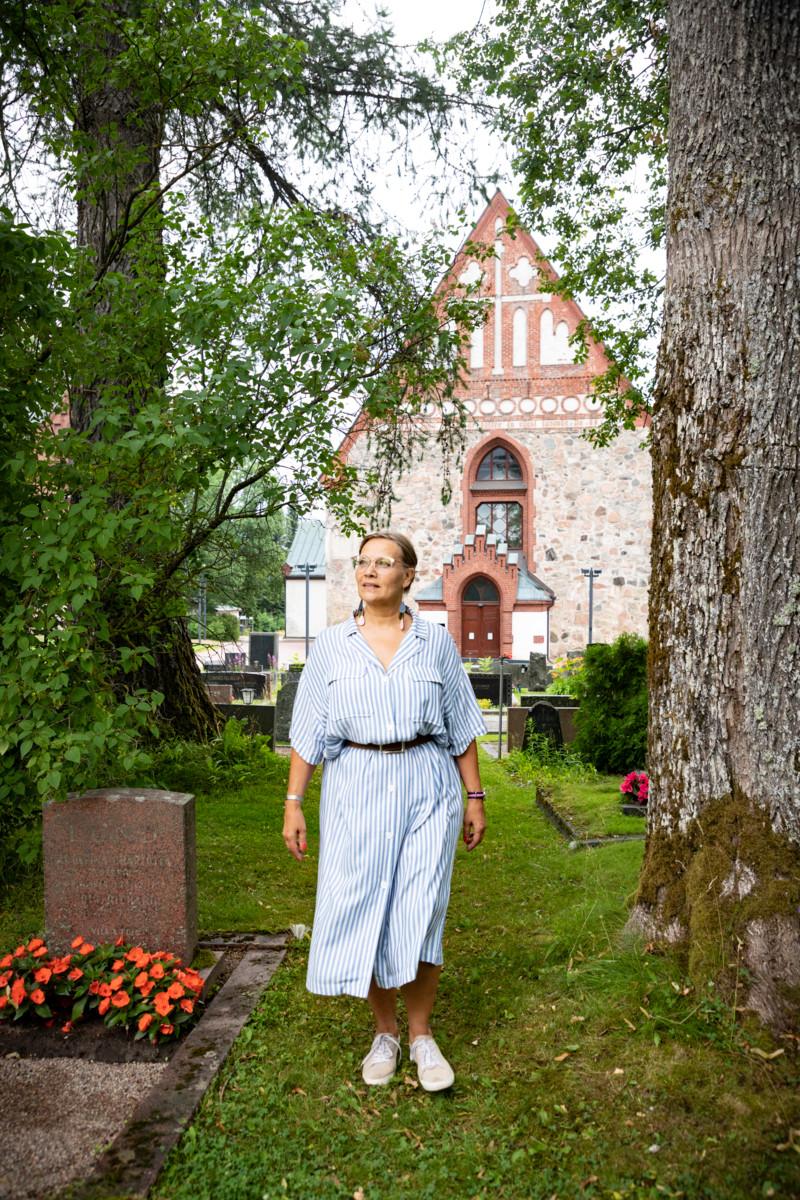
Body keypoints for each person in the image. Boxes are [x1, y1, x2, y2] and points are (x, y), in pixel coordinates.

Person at [282, 529, 487, 1092]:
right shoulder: (329, 647)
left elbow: (462, 725)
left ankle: (422, 1038)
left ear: (406, 576)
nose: (370, 571)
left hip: (426, 783)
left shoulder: (435, 644)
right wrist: (294, 802)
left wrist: (474, 797)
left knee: (421, 908)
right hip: (355, 785)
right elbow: (307, 734)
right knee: (369, 903)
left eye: (384, 562)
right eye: (364, 562)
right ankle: (385, 1033)